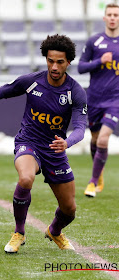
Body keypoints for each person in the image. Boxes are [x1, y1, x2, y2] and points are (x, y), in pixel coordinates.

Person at [0, 35, 87, 253]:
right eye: (50, 61)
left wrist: (67, 143)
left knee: (69, 209)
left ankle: (55, 231)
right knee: (26, 178)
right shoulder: (31, 82)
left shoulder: (75, 92)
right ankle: (19, 233)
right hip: (28, 142)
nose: (54, 66)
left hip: (55, 149)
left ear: (68, 62)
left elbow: (80, 128)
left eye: (59, 62)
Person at [78, 3, 119, 198]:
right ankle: (99, 174)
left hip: (115, 100)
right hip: (94, 99)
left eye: (116, 15)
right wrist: (99, 62)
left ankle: (92, 182)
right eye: (109, 14)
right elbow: (80, 67)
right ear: (105, 18)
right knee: (95, 140)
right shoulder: (94, 41)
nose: (112, 18)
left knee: (103, 139)